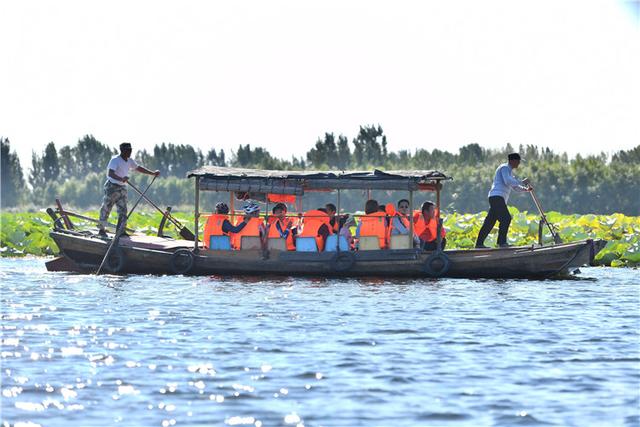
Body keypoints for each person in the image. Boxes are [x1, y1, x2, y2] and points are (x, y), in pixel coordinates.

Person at [98, 142, 160, 237]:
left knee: (123, 210)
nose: (130, 152)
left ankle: (121, 231)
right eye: (128, 150)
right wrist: (121, 178)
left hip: (122, 187)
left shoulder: (130, 161)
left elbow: (138, 168)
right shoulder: (115, 160)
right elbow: (110, 174)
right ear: (122, 151)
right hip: (112, 187)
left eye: (131, 150)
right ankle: (101, 230)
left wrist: (152, 173)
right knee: (106, 207)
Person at [475, 153, 532, 248]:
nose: (519, 163)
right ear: (512, 161)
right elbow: (507, 181)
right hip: (497, 197)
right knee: (506, 218)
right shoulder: (504, 168)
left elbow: (515, 187)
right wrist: (522, 181)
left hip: (497, 198)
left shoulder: (509, 172)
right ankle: (501, 243)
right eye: (518, 161)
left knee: (490, 222)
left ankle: (479, 244)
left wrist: (525, 189)